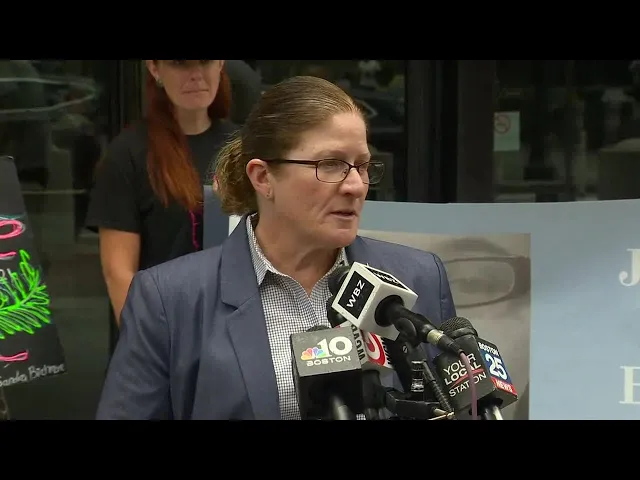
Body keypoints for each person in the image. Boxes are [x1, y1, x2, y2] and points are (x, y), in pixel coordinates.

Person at [95, 76, 456, 420]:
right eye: (331, 165)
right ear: (263, 177)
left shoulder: (417, 277)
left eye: (361, 166)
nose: (355, 186)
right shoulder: (169, 300)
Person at [85, 60, 237, 332]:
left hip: (235, 330)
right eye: (180, 64)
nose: (195, 75)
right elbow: (119, 274)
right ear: (155, 69)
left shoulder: (243, 148)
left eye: (205, 61)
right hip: (165, 332)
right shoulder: (128, 155)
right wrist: (146, 345)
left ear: (220, 64)